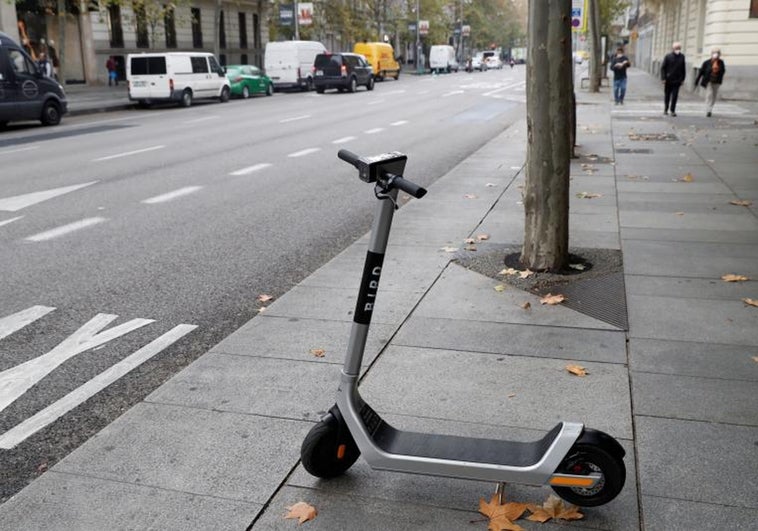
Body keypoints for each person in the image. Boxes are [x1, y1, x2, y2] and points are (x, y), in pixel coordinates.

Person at [695, 47, 726, 117]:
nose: (716, 54)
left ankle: (711, 108)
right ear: (711, 54)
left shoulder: (721, 62)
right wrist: (697, 81)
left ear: (719, 54)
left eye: (717, 53)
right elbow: (701, 72)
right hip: (708, 81)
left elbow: (723, 71)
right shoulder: (707, 62)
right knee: (709, 95)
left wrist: (718, 69)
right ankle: (708, 110)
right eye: (714, 53)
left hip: (717, 81)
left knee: (714, 96)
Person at [660, 42, 686, 116]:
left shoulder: (682, 57)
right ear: (673, 48)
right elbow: (663, 68)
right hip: (668, 79)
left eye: (679, 48)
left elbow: (683, 68)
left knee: (675, 96)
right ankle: (666, 109)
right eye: (676, 48)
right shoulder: (668, 56)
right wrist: (663, 78)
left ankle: (672, 110)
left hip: (677, 80)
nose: (677, 49)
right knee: (667, 95)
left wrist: (683, 79)